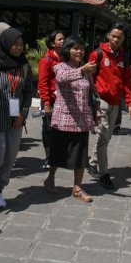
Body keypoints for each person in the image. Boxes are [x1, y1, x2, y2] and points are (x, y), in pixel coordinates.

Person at [0, 27, 33, 211]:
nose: (18, 48)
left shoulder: (24, 66)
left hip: (15, 117)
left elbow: (27, 92)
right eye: (14, 44)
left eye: (21, 44)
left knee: (10, 156)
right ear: (5, 45)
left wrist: (23, 113)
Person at [43, 35, 100, 203]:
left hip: (82, 119)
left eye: (82, 48)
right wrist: (82, 70)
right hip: (63, 119)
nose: (79, 51)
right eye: (75, 48)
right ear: (68, 50)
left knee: (81, 155)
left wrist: (97, 111)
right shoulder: (60, 67)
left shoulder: (86, 70)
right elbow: (61, 79)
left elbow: (93, 92)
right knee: (57, 153)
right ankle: (50, 178)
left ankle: (77, 187)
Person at [87, 22, 131, 190]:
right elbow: (89, 79)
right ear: (108, 35)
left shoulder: (124, 57)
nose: (116, 39)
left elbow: (127, 81)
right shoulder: (97, 54)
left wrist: (129, 102)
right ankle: (104, 173)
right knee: (103, 135)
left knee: (107, 137)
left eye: (119, 37)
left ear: (123, 39)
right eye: (113, 36)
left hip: (115, 103)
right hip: (100, 101)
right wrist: (91, 102)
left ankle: (92, 162)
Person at [37, 31, 64, 169]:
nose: (63, 41)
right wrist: (46, 103)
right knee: (48, 129)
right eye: (60, 39)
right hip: (50, 101)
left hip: (63, 101)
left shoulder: (65, 59)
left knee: (61, 129)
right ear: (52, 43)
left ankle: (58, 155)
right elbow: (43, 83)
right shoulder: (46, 60)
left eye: (64, 39)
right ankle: (49, 157)